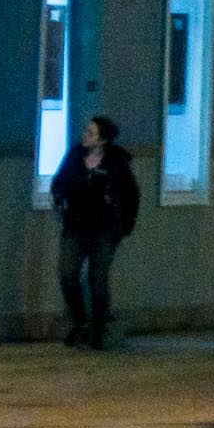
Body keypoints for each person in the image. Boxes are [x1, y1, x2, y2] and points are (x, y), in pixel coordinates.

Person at [48, 114, 143, 349]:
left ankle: (99, 328)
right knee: (67, 274)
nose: (85, 136)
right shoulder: (74, 157)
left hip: (105, 229)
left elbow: (132, 194)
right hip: (76, 226)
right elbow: (59, 181)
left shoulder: (116, 163)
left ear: (102, 140)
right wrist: (60, 197)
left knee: (98, 279)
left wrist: (124, 223)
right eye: (86, 131)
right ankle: (80, 321)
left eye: (91, 133)